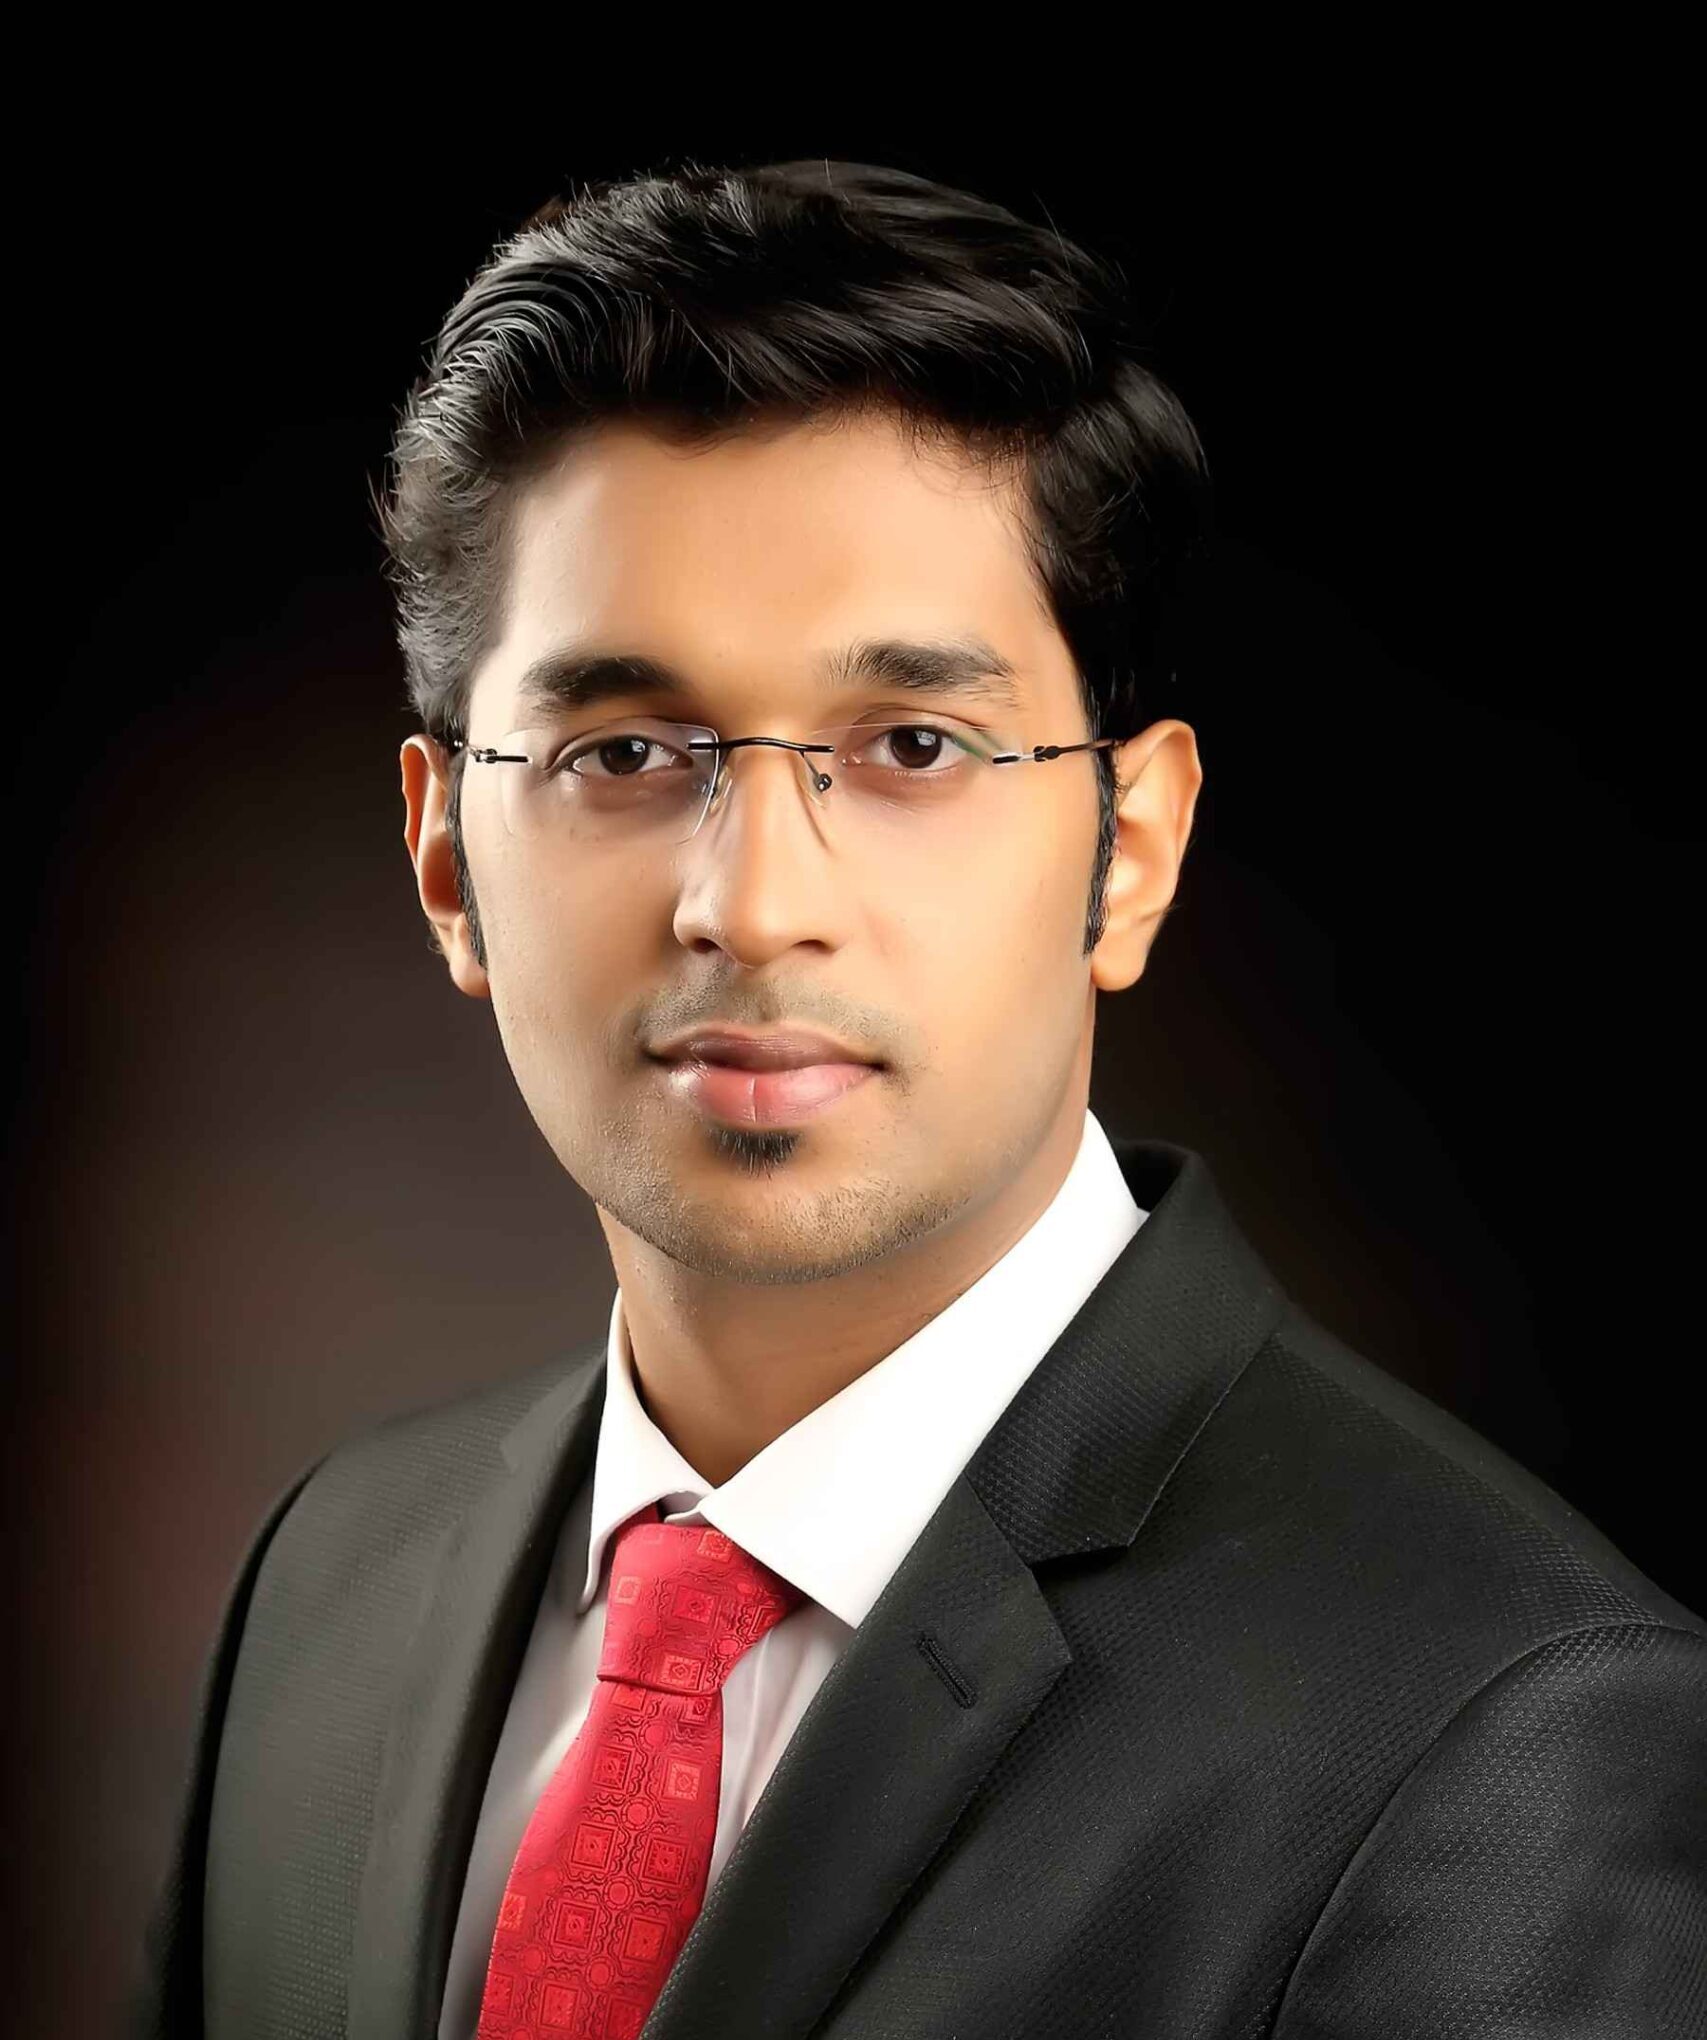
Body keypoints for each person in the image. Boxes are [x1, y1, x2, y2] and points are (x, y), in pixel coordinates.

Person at [131, 157, 1706, 2040]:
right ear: (448, 860)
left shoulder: (1503, 1727)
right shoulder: (325, 1584)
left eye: (911, 745)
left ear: (1132, 849)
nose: (753, 904)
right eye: (622, 752)